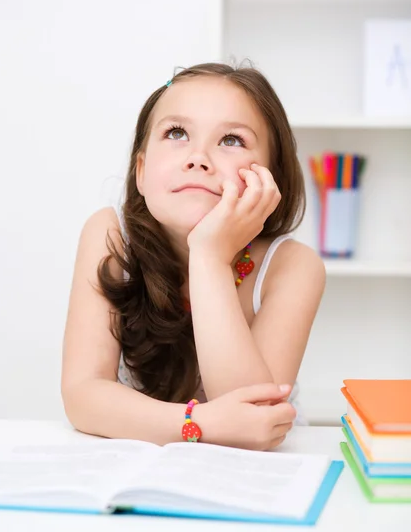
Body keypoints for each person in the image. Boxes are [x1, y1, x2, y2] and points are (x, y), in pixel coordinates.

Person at [61, 62, 326, 451]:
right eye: (177, 133)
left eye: (232, 140)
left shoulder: (293, 267)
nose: (198, 157)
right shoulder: (109, 235)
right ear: (141, 170)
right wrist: (200, 421)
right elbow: (83, 396)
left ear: (271, 178)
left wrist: (209, 255)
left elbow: (253, 427)